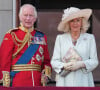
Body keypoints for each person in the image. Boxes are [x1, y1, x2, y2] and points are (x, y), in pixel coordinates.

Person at [0, 4, 51, 87]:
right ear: (20, 17)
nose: (28, 18)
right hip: (17, 81)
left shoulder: (41, 36)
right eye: (25, 15)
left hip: (37, 82)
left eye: (31, 15)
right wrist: (6, 82)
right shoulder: (11, 35)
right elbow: (4, 60)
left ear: (35, 18)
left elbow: (46, 60)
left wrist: (46, 75)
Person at [51, 7, 99, 87]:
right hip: (64, 81)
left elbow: (94, 61)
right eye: (72, 21)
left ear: (82, 22)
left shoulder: (90, 38)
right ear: (68, 23)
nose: (75, 23)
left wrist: (81, 64)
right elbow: (54, 62)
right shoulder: (60, 38)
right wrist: (64, 66)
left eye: (78, 20)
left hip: (84, 81)